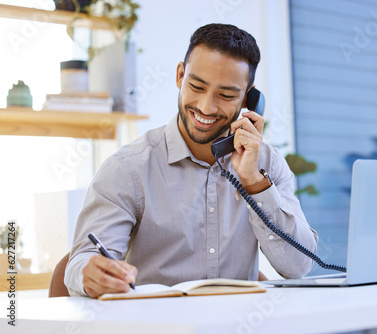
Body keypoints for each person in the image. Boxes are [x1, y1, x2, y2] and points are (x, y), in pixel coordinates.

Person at [65, 23, 318, 298]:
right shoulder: (129, 168)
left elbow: (299, 267)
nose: (206, 107)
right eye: (196, 86)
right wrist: (89, 273)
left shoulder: (266, 164)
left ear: (249, 99)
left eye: (226, 95)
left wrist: (254, 184)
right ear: (180, 75)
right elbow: (82, 261)